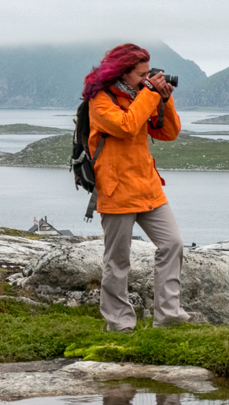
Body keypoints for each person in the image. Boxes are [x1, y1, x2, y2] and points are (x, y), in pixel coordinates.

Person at [80, 44, 190, 332]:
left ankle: (168, 316)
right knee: (117, 261)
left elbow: (168, 133)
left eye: (147, 74)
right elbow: (127, 126)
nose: (146, 79)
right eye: (140, 74)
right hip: (116, 190)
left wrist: (164, 100)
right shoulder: (100, 101)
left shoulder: (142, 95)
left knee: (172, 244)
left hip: (148, 187)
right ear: (121, 72)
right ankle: (119, 323)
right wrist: (151, 93)